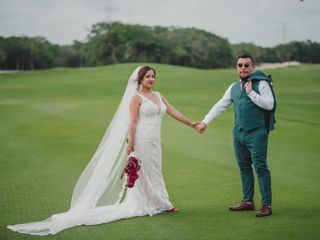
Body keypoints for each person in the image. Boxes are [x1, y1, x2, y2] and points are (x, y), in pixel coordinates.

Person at [7, 66, 195, 235]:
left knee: (155, 170)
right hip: (142, 139)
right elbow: (133, 122)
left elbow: (173, 112)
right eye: (147, 77)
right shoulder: (136, 98)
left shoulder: (159, 96)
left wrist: (193, 124)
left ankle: (160, 202)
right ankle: (148, 204)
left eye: (153, 76)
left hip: (155, 141)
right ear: (140, 80)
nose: (151, 79)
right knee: (143, 172)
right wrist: (130, 142)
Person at [195, 54, 276, 217]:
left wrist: (252, 93)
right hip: (239, 133)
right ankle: (248, 201)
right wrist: (205, 122)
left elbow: (269, 104)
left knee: (260, 167)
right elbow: (221, 105)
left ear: (252, 67)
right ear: (236, 68)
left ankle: (266, 205)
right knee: (244, 166)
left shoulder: (261, 83)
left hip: (257, 132)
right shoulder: (233, 87)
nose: (243, 68)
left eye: (247, 65)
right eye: (240, 65)